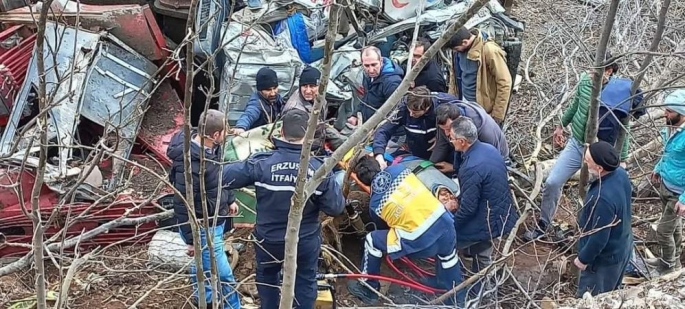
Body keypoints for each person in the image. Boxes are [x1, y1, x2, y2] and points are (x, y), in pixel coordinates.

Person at [222, 109, 345, 309]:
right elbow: (335, 207)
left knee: (267, 277)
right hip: (304, 241)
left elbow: (223, 177)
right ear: (309, 133)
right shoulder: (318, 169)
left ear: (281, 131)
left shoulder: (262, 162)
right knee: (305, 279)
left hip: (268, 240)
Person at [523, 53, 645, 241]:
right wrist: (561, 126)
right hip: (577, 143)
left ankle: (587, 234)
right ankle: (543, 225)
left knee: (595, 195)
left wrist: (623, 159)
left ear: (608, 71)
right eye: (589, 69)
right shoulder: (585, 81)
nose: (589, 73)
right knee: (552, 182)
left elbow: (623, 128)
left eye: (594, 70)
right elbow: (575, 106)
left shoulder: (618, 93)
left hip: (599, 152)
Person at [346, 156, 464, 305]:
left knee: (372, 240)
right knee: (448, 256)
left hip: (421, 242)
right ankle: (455, 296)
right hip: (444, 223)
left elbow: (386, 229)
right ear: (379, 166)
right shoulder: (400, 169)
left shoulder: (375, 205)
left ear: (363, 182)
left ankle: (368, 287)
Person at [166, 109, 241, 309]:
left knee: (201, 266)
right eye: (225, 131)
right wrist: (191, 240)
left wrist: (230, 199)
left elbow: (220, 174)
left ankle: (204, 299)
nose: (228, 133)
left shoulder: (212, 148)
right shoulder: (189, 164)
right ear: (214, 135)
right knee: (224, 274)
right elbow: (182, 204)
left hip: (215, 220)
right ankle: (233, 306)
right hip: (203, 226)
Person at [448, 117, 517, 281]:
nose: (450, 141)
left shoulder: (471, 167)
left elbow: (468, 209)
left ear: (462, 141)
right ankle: (484, 282)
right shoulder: (489, 149)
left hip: (487, 220)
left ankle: (455, 283)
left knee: (447, 241)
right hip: (502, 213)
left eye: (451, 138)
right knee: (483, 252)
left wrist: (452, 225)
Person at [574, 141, 633, 297]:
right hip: (622, 246)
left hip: (604, 262)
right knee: (610, 295)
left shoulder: (602, 199)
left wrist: (583, 258)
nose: (585, 164)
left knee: (592, 300)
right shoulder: (620, 173)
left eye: (588, 162)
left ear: (600, 168)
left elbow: (599, 238)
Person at [645, 89, 685, 274]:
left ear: (681, 113)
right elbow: (667, 154)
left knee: (663, 231)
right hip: (666, 185)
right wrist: (658, 168)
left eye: (669, 111)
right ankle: (672, 261)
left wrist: (683, 200)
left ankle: (668, 267)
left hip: (679, 192)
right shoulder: (669, 128)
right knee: (673, 228)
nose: (665, 114)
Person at [445, 26, 512, 126]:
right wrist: (452, 101)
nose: (455, 51)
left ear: (464, 42)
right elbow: (454, 77)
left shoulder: (489, 50)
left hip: (484, 110)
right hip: (464, 104)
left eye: (456, 48)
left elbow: (505, 83)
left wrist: (497, 115)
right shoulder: (457, 51)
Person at [371, 86, 453, 167]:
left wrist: (441, 135)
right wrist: (379, 154)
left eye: (415, 112)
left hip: (443, 154)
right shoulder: (402, 109)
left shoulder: (444, 104)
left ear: (427, 108)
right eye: (409, 110)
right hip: (416, 150)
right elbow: (384, 130)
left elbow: (460, 124)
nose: (411, 114)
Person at [430, 101, 509, 175]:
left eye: (448, 129)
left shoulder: (485, 132)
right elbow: (441, 145)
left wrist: (454, 168)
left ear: (459, 120)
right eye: (443, 129)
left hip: (494, 158)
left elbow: (489, 161)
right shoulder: (445, 120)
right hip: (463, 149)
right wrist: (430, 166)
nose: (446, 133)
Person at [284, 66, 347, 151]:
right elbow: (294, 142)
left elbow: (321, 125)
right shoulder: (295, 111)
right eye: (304, 86)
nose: (308, 90)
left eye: (312, 86)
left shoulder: (319, 96)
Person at [347, 46, 404, 125]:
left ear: (381, 61)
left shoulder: (392, 82)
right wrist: (355, 115)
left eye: (374, 65)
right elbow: (367, 98)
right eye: (366, 66)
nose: (371, 70)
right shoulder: (369, 76)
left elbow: (395, 113)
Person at [232, 67, 285, 134]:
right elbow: (249, 115)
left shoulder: (277, 98)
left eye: (275, 88)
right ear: (260, 90)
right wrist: (241, 127)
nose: (272, 93)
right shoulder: (257, 103)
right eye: (268, 90)